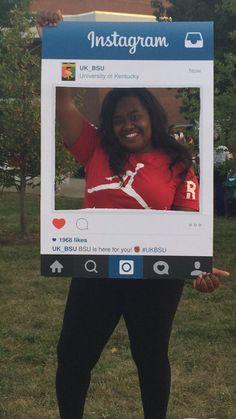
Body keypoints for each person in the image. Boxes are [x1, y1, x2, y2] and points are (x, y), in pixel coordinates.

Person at [37, 12, 230, 419]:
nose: (127, 125)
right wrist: (56, 41)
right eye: (119, 118)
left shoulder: (178, 162)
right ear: (109, 124)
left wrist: (198, 269)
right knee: (72, 355)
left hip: (155, 277)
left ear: (150, 118)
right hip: (96, 270)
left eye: (135, 116)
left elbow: (187, 227)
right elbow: (61, 99)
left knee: (150, 358)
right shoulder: (95, 149)